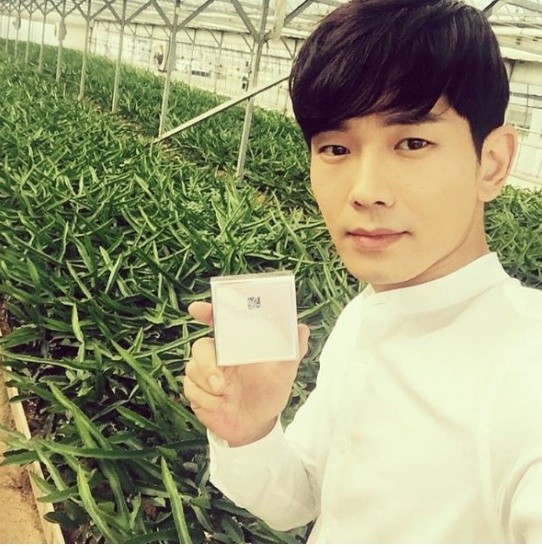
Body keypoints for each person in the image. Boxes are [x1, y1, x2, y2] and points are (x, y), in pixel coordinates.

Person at [183, 0, 542, 542]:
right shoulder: (365, 314)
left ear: (492, 163)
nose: (366, 191)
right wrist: (249, 429)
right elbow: (305, 499)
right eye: (335, 148)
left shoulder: (525, 370)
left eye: (413, 142)